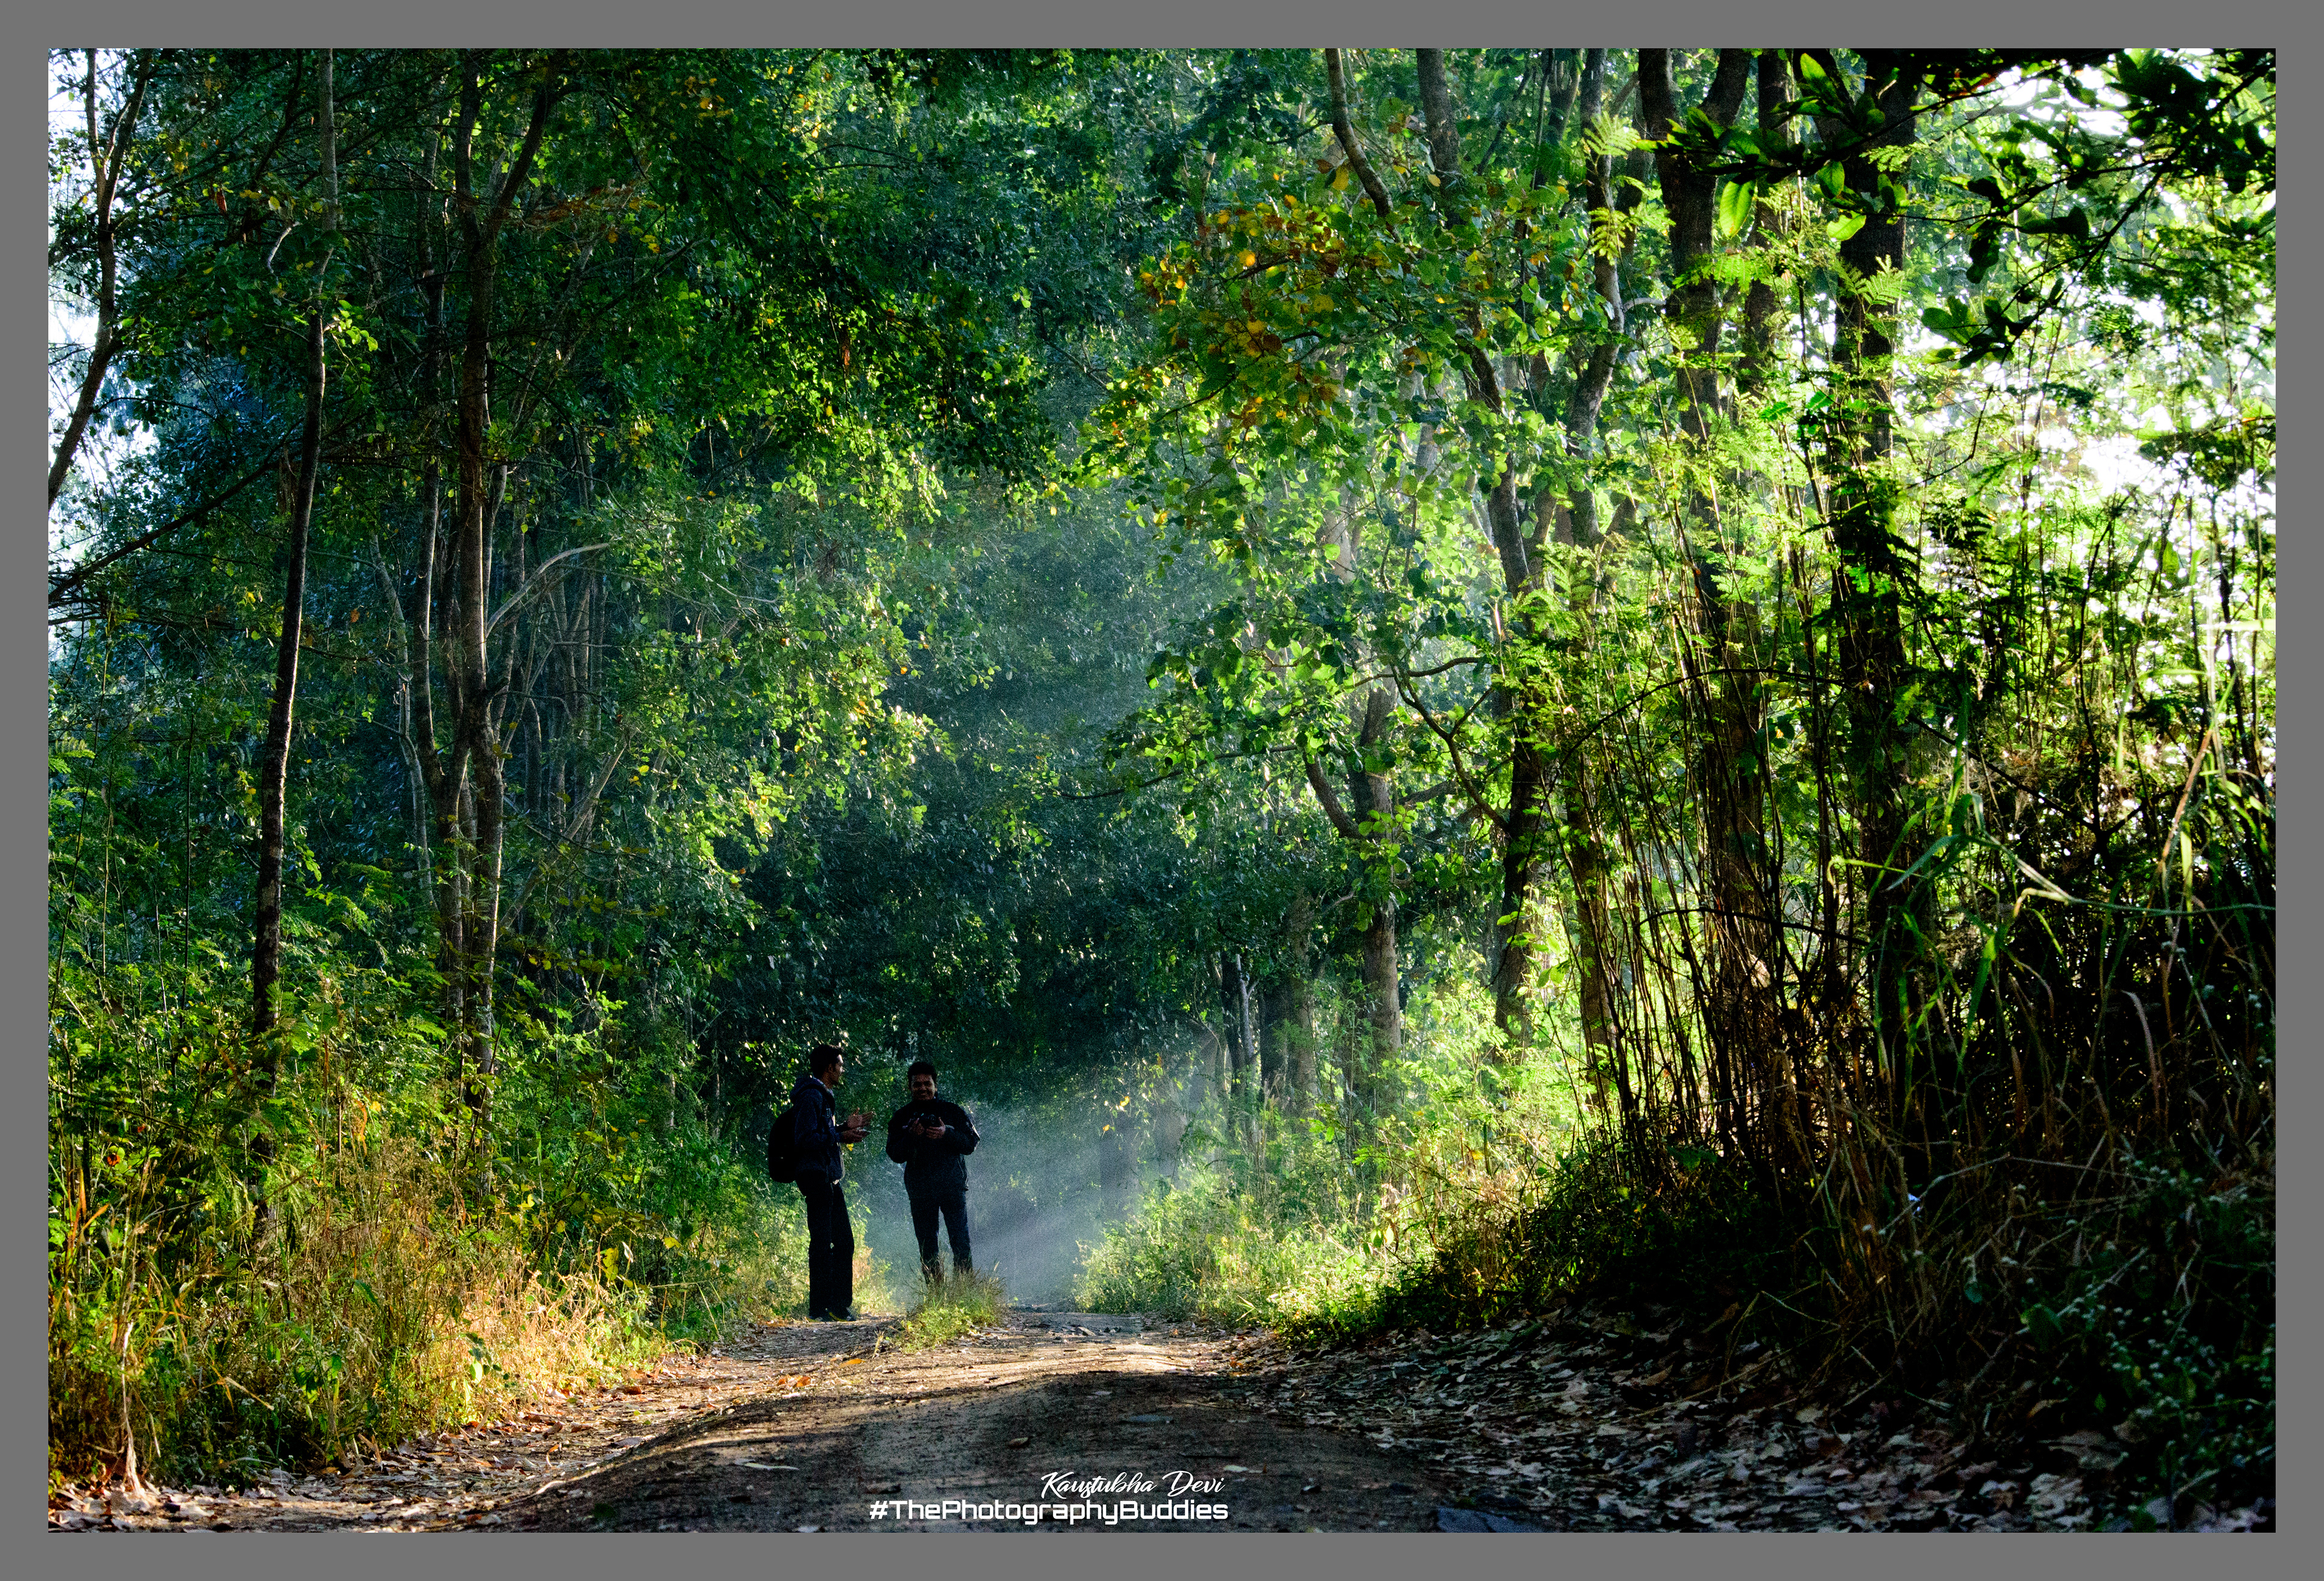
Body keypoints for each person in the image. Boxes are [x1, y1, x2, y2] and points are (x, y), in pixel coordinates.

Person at [791, 1042, 871, 1320]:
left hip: (829, 1178)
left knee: (843, 1241)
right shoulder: (811, 1097)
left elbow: (821, 1134)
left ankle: (836, 1305)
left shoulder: (822, 1096)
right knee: (823, 1243)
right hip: (817, 1178)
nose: (842, 1069)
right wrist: (841, 1136)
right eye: (839, 1065)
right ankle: (821, 1308)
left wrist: (844, 1128)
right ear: (829, 1068)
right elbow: (804, 1139)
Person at [884, 1059, 979, 1285]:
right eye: (917, 1085)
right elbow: (895, 1154)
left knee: (961, 1242)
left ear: (936, 1085)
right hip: (920, 1191)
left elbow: (972, 1143)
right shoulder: (901, 1118)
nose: (923, 1089)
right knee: (927, 1246)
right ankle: (936, 1297)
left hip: (952, 1188)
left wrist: (947, 1134)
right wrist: (911, 1137)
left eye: (927, 1084)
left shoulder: (952, 1111)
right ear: (910, 1087)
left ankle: (965, 1293)